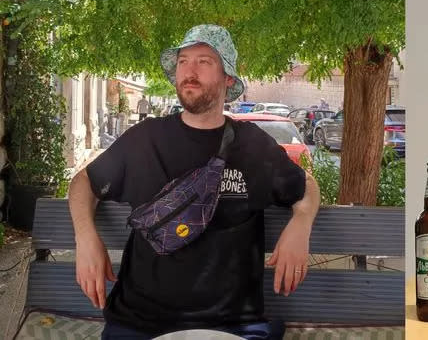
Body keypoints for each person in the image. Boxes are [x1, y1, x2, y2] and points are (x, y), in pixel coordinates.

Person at [68, 25, 320, 339]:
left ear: (228, 79)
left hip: (231, 325)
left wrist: (302, 222)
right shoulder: (145, 139)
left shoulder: (254, 147)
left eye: (204, 61)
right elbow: (83, 183)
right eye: (183, 61)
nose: (189, 70)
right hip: (139, 322)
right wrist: (86, 237)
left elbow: (306, 184)